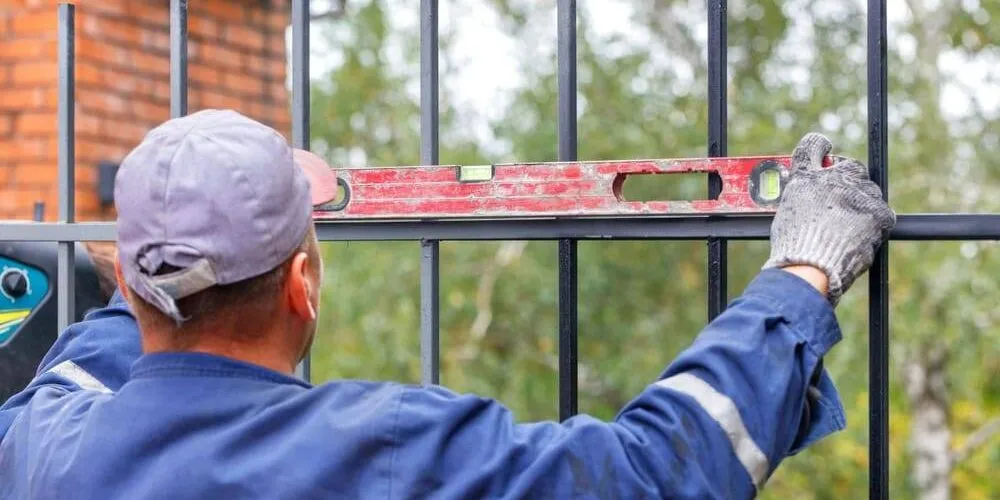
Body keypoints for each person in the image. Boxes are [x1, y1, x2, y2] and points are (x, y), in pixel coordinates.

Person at [0, 109, 894, 499]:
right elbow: (654, 477)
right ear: (302, 288)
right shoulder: (379, 452)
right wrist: (800, 277)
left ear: (124, 277)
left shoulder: (42, 443)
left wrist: (193, 194)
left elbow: (98, 352)